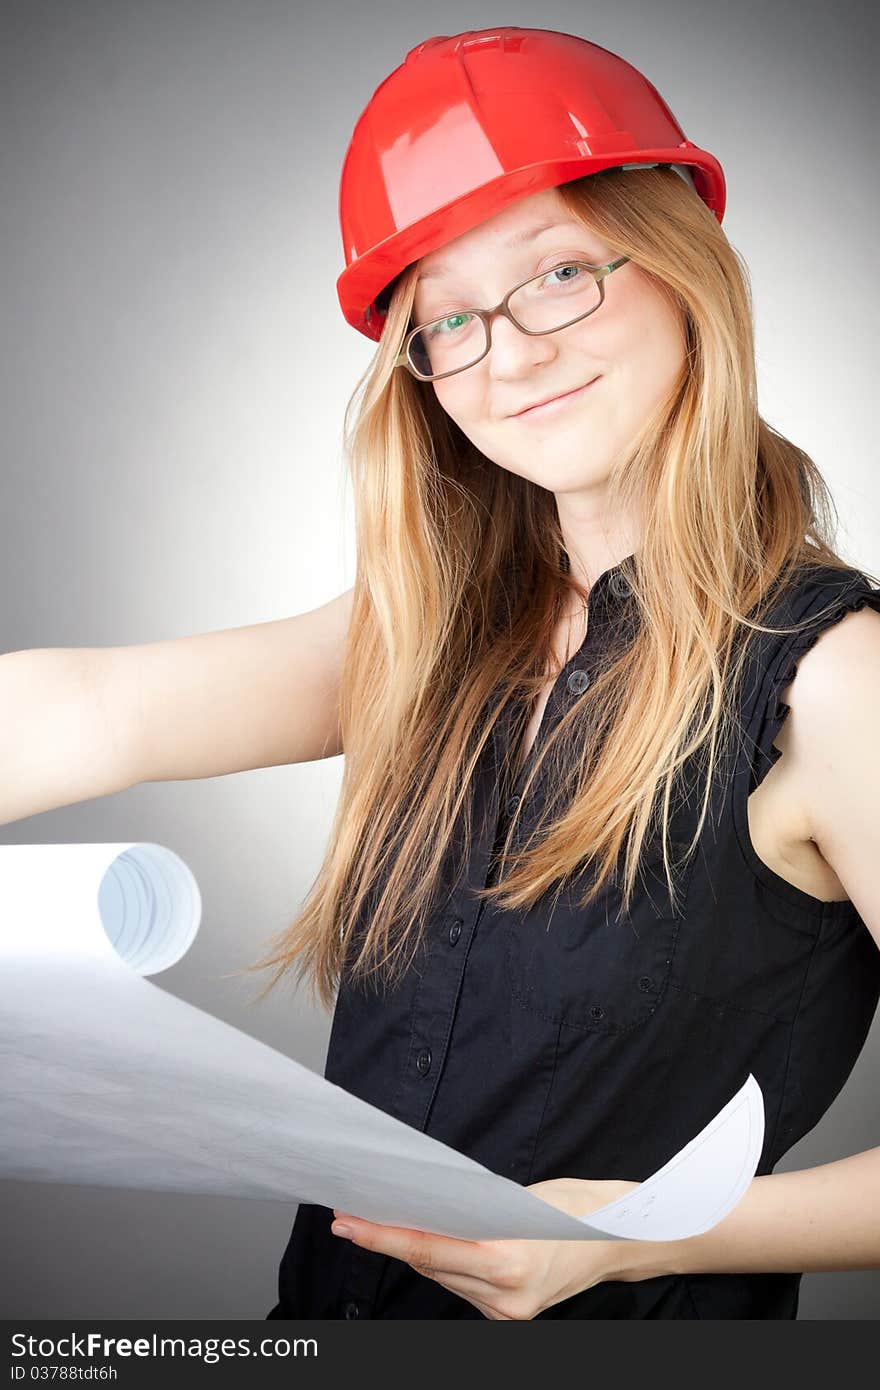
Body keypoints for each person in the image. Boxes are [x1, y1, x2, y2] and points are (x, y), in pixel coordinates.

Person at [1, 26, 877, 1322]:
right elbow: (85, 710)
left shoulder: (833, 683)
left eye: (561, 272)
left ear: (684, 267)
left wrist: (637, 1236)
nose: (509, 353)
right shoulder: (432, 635)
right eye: (448, 318)